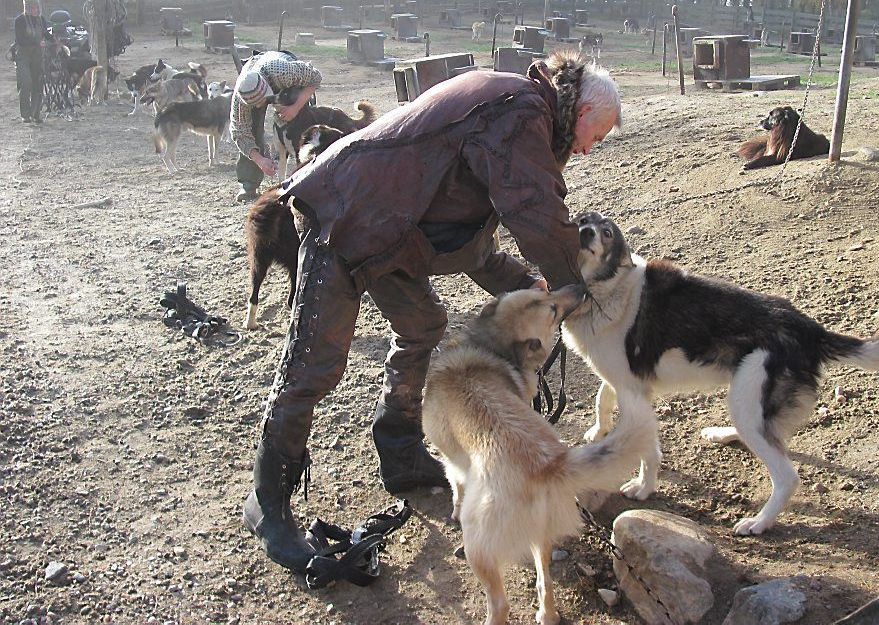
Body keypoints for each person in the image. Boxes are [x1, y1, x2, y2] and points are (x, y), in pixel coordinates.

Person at [243, 52, 622, 574]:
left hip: (389, 233)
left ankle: (399, 450)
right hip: (344, 214)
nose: (588, 148)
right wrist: (577, 288)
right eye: (594, 136)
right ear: (581, 110)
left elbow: (471, 236)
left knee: (422, 325)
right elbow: (536, 209)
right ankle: (268, 503)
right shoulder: (517, 111)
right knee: (314, 366)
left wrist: (526, 284)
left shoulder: (517, 112)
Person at [230, 50, 322, 203]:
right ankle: (248, 184)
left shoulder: (284, 72)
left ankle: (309, 176)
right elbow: (240, 132)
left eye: (264, 101)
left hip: (285, 80)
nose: (261, 106)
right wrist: (260, 160)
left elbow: (316, 77)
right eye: (256, 104)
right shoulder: (240, 101)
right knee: (252, 127)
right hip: (258, 71)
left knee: (300, 123)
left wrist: (295, 108)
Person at [14, 0, 51, 124]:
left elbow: (46, 34)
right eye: (33, 7)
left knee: (37, 84)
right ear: (28, 7)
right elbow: (20, 41)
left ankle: (35, 114)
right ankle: (25, 114)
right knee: (25, 83)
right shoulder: (19, 21)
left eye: (37, 7)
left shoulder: (41, 20)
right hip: (23, 56)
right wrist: (36, 43)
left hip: (37, 57)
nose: (36, 9)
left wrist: (56, 40)